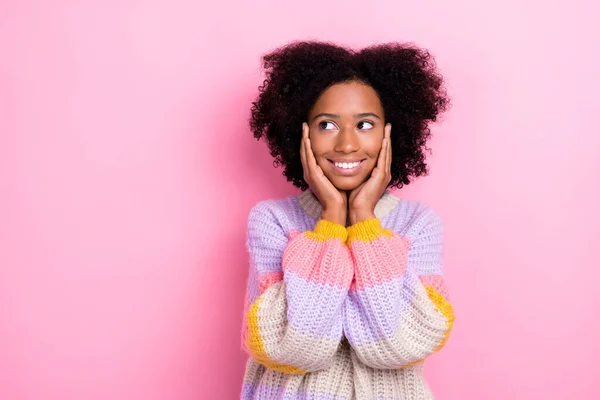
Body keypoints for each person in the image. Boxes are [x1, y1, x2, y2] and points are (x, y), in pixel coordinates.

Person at [240, 40, 454, 400]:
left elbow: (402, 346)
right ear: (301, 132)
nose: (347, 144)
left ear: (391, 131)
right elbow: (289, 348)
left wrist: (364, 222)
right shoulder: (272, 220)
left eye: (365, 124)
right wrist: (332, 221)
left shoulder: (418, 225)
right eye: (327, 125)